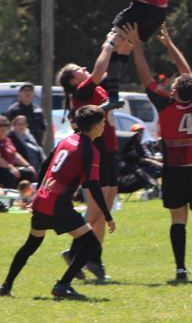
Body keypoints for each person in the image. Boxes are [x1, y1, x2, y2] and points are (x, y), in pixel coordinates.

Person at [124, 24, 192, 280]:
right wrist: (170, 45)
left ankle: (180, 268)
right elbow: (186, 71)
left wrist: (137, 46)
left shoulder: (165, 103)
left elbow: (146, 77)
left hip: (174, 171)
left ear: (174, 92)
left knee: (178, 218)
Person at [0, 105, 116, 299]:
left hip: (43, 200)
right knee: (92, 245)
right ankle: (62, 285)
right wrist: (108, 214)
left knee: (31, 245)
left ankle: (5, 286)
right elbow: (93, 184)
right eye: (103, 121)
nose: (104, 124)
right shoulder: (90, 150)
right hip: (58, 206)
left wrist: (41, 190)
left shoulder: (67, 140)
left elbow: (46, 164)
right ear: (95, 126)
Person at [56, 32, 127, 281]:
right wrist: (108, 43)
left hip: (109, 150)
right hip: (97, 152)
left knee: (103, 207)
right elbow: (98, 70)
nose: (83, 69)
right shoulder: (82, 92)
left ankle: (93, 260)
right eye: (78, 69)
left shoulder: (94, 89)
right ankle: (77, 253)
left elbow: (114, 69)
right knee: (98, 210)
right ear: (74, 81)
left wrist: (126, 44)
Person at [0, 117, 36, 188]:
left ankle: (27, 196)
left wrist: (28, 166)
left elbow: (15, 155)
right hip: (3, 169)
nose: (4, 128)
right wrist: (11, 168)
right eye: (0, 125)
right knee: (10, 174)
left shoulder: (7, 140)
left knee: (28, 172)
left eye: (6, 125)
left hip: (11, 167)